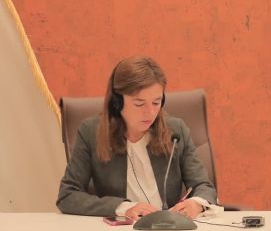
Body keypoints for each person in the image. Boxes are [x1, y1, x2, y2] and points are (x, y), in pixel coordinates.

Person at [57, 56, 216, 220]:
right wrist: (123, 208)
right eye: (139, 104)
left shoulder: (176, 131)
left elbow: (204, 186)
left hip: (169, 228)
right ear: (117, 102)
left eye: (156, 102)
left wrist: (196, 203)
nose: (150, 113)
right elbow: (67, 195)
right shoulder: (91, 132)